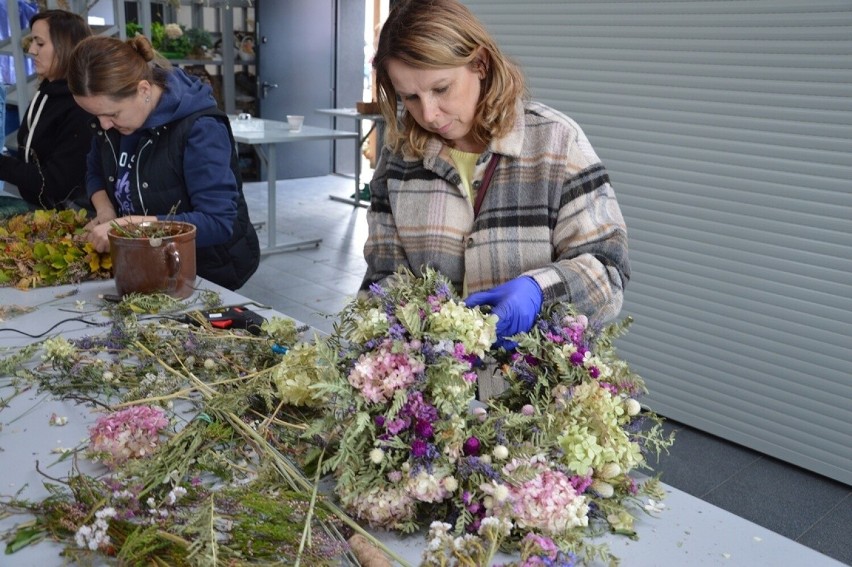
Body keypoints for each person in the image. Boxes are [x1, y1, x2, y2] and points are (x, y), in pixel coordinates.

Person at [362, 0, 630, 348]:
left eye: (441, 89)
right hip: (430, 389)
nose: (428, 114)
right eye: (409, 97)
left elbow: (608, 273)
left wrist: (540, 291)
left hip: (532, 389)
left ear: (480, 64)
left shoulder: (556, 143)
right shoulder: (398, 160)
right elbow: (383, 278)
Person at [67, 34, 260, 291]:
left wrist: (131, 226)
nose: (103, 124)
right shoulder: (111, 122)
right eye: (95, 115)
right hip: (147, 265)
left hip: (205, 271)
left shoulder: (200, 128)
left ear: (144, 90)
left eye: (112, 114)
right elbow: (95, 169)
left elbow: (218, 222)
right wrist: (105, 212)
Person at [0, 9, 93, 211]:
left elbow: (55, 182)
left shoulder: (81, 107)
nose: (32, 50)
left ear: (66, 46)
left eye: (40, 43)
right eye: (32, 42)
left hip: (70, 215)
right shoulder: (47, 91)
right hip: (41, 207)